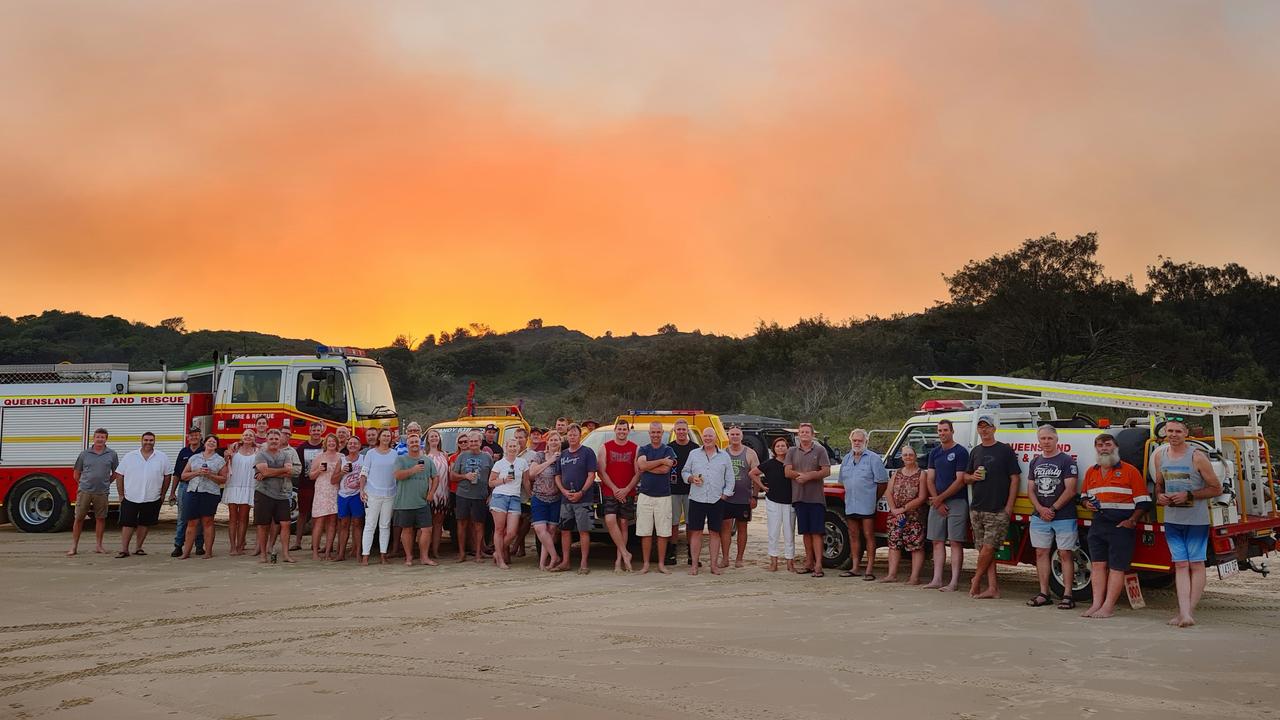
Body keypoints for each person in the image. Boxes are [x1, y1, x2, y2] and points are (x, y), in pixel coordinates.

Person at [1152, 418, 1222, 628]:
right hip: (1172, 520)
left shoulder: (1197, 457)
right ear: (1164, 433)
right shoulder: (1159, 455)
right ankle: (1183, 613)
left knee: (1196, 563)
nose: (1173, 434)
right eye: (1169, 431)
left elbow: (1216, 489)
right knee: (1180, 564)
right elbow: (1159, 484)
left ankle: (1189, 612)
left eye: (1177, 431)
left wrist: (1189, 495)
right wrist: (1160, 496)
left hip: (1196, 521)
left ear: (1186, 433)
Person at [1080, 433, 1152, 619]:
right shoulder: (1091, 472)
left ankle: (1108, 607)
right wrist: (1086, 503)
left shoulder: (1129, 471)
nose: (1104, 448)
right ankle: (1096, 604)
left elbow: (1144, 502)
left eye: (1107, 444)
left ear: (1116, 447)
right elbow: (1083, 497)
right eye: (1100, 445)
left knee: (1116, 568)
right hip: (1098, 525)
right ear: (1095, 448)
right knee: (1097, 566)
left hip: (1121, 527)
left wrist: (1131, 521)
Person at [962, 414, 1020, 599]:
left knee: (988, 548)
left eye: (987, 427)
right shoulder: (976, 451)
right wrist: (973, 478)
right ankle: (993, 588)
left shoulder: (1004, 450)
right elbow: (965, 477)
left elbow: (1015, 478)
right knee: (985, 552)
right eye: (981, 427)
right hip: (977, 507)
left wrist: (1009, 506)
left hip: (997, 509)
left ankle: (976, 580)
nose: (984, 430)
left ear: (994, 429)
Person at [1026, 425, 1080, 609]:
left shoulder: (1067, 461)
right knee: (1041, 553)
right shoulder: (1035, 462)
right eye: (1043, 439)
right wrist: (1041, 509)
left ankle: (1067, 595)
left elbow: (1071, 489)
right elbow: (1030, 489)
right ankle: (1044, 592)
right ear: (1038, 441)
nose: (1046, 442)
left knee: (1065, 553)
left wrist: (1053, 509)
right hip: (1039, 516)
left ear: (1057, 439)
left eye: (1049, 438)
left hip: (1063, 516)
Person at [923, 419, 970, 592]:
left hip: (957, 501)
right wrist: (937, 499)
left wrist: (940, 499)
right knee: (937, 541)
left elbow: (960, 481)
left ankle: (954, 581)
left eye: (945, 430)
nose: (942, 433)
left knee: (956, 542)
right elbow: (930, 478)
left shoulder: (961, 452)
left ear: (952, 431)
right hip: (937, 502)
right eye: (939, 430)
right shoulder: (934, 453)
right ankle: (936, 579)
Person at [837, 429, 888, 580]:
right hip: (851, 503)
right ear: (851, 441)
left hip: (867, 504)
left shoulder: (873, 458)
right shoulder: (846, 459)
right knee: (853, 535)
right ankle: (855, 567)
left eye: (860, 440)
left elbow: (882, 482)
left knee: (869, 536)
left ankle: (869, 569)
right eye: (855, 440)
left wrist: (873, 498)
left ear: (866, 441)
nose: (857, 443)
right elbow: (842, 482)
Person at [682, 426, 734, 576]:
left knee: (714, 533)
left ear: (715, 437)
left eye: (710, 436)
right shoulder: (693, 454)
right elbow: (684, 471)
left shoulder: (724, 456)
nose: (708, 438)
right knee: (696, 532)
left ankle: (713, 565)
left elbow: (730, 478)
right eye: (705, 436)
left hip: (716, 499)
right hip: (697, 498)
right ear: (702, 438)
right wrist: (691, 478)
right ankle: (694, 566)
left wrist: (725, 495)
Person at [113, 432, 172, 558]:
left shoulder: (162, 457)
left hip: (152, 496)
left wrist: (163, 494)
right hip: (131, 496)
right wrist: (121, 494)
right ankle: (124, 549)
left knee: (144, 523)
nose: (148, 442)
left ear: (154, 441)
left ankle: (138, 548)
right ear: (141, 441)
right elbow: (119, 475)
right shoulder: (130, 456)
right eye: (146, 440)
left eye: (151, 440)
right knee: (127, 523)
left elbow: (167, 476)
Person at [785, 423, 832, 577]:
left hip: (816, 498)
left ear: (812, 434)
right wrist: (800, 476)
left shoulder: (820, 450)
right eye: (802, 432)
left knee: (817, 532)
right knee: (805, 532)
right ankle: (809, 562)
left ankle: (819, 564)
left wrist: (809, 476)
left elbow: (826, 470)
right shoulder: (792, 450)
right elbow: (787, 471)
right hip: (799, 497)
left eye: (807, 432)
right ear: (798, 434)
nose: (804, 434)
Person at [878, 444, 927, 584]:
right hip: (896, 515)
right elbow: (888, 491)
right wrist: (894, 509)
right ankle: (891, 574)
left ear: (915, 456)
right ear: (902, 458)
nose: (908, 457)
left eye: (910, 454)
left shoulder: (921, 474)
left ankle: (914, 577)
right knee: (894, 544)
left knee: (916, 545)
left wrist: (903, 509)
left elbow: (922, 497)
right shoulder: (897, 473)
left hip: (914, 515)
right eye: (905, 455)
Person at [67, 428, 118, 556]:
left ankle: (99, 546)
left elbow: (116, 473)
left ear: (106, 439)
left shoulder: (112, 454)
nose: (100, 439)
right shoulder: (84, 454)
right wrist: (84, 484)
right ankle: (74, 547)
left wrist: (106, 483)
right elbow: (76, 473)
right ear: (93, 438)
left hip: (102, 492)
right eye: (98, 437)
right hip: (85, 491)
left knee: (100, 518)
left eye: (103, 437)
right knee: (79, 518)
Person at [555, 424, 598, 574]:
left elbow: (591, 475)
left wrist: (582, 491)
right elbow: (557, 476)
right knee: (565, 531)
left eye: (575, 434)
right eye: (570, 435)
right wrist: (564, 491)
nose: (572, 437)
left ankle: (584, 563)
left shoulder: (587, 452)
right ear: (567, 436)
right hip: (566, 500)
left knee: (583, 531)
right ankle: (565, 561)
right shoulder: (563, 454)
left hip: (583, 499)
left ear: (580, 436)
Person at [635, 422, 676, 574]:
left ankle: (660, 564)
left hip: (663, 496)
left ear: (662, 433)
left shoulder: (668, 449)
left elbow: (666, 469)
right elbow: (642, 466)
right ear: (649, 433)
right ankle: (645, 564)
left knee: (663, 532)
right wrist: (660, 461)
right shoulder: (644, 449)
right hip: (645, 495)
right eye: (653, 432)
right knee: (645, 532)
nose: (656, 435)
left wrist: (650, 466)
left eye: (658, 432)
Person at [598, 419, 638, 573]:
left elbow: (638, 472)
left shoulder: (635, 448)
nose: (622, 432)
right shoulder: (605, 447)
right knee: (610, 520)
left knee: (623, 524)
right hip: (610, 491)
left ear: (628, 431)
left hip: (628, 491)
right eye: (619, 429)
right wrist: (615, 489)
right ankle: (625, 552)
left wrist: (627, 489)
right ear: (615, 430)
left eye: (624, 429)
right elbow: (601, 472)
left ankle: (619, 560)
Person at [393, 433, 438, 567]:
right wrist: (413, 470)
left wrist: (431, 493)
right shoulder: (401, 460)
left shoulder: (428, 460)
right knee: (407, 530)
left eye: (416, 442)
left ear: (420, 444)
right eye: (411, 442)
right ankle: (409, 557)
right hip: (405, 502)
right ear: (407, 445)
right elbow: (397, 476)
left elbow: (436, 477)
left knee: (427, 529)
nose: (414, 444)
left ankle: (424, 557)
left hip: (422, 502)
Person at [179, 435, 226, 559]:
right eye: (209, 441)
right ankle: (186, 552)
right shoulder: (194, 458)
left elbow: (224, 479)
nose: (211, 444)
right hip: (193, 491)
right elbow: (183, 476)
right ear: (204, 443)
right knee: (191, 522)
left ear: (217, 445)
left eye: (214, 442)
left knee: (208, 522)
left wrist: (210, 475)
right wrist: (197, 472)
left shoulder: (220, 460)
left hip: (210, 493)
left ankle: (208, 552)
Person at [452, 430, 495, 563]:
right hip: (463, 494)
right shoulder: (462, 456)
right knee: (462, 523)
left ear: (480, 442)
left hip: (480, 495)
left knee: (479, 525)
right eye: (471, 441)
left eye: (476, 441)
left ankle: (478, 554)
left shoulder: (487, 457)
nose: (473, 443)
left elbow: (493, 477)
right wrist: (465, 476)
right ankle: (462, 553)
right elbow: (452, 476)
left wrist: (491, 494)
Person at [254, 429, 296, 563]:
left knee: (286, 524)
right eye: (271, 438)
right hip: (263, 493)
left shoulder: (286, 455)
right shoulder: (260, 455)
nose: (273, 441)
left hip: (282, 494)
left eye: (276, 439)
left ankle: (286, 554)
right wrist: (281, 470)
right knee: (263, 525)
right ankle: (263, 555)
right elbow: (264, 470)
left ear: (280, 440)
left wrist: (267, 473)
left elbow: (290, 472)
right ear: (267, 439)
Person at [720, 427, 759, 569]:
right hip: (726, 497)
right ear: (728, 436)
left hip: (744, 498)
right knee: (725, 528)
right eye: (732, 434)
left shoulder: (750, 453)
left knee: (742, 528)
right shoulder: (723, 453)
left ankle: (739, 558)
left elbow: (756, 476)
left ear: (742, 436)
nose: (735, 437)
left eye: (737, 434)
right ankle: (725, 558)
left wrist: (754, 496)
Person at [753, 436, 795, 572]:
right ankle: (774, 562)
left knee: (789, 533)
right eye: (778, 446)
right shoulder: (769, 464)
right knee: (773, 532)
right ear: (774, 449)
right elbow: (753, 473)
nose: (781, 448)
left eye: (783, 446)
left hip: (789, 502)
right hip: (773, 501)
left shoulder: (792, 463)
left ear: (787, 448)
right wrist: (762, 487)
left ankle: (790, 562)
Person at [487, 438, 529, 569]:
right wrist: (504, 480)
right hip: (500, 496)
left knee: (512, 532)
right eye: (510, 446)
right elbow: (491, 482)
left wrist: (531, 495)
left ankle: (497, 553)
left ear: (518, 448)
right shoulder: (499, 463)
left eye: (514, 446)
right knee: (499, 530)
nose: (512, 448)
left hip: (515, 498)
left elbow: (526, 482)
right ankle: (500, 559)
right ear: (506, 448)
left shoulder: (523, 462)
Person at [359, 428, 398, 565]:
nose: (386, 438)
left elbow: (397, 474)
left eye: (389, 436)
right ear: (379, 438)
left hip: (390, 494)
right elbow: (364, 473)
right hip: (372, 494)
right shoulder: (370, 453)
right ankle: (365, 555)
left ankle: (383, 554)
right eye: (384, 435)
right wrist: (361, 489)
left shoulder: (395, 454)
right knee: (370, 525)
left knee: (385, 525)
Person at [528, 430, 564, 570]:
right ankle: (555, 556)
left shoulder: (563, 457)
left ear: (560, 442)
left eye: (557, 440)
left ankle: (544, 563)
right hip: (539, 497)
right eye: (551, 439)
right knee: (539, 529)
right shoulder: (540, 456)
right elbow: (532, 473)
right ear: (547, 441)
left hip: (556, 498)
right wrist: (550, 461)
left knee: (550, 531)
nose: (554, 442)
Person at [169, 428, 206, 558]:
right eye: (191, 435)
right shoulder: (183, 452)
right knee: (182, 518)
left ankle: (199, 546)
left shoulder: (205, 451)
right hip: (184, 487)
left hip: (201, 487)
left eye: (196, 435)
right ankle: (178, 546)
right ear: (187, 437)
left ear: (200, 436)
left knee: (200, 518)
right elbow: (177, 473)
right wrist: (172, 491)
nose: (194, 437)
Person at [667, 419, 699, 565]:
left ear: (687, 431)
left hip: (691, 491)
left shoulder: (695, 448)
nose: (681, 432)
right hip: (672, 491)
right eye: (678, 429)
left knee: (690, 523)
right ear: (674, 431)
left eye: (683, 429)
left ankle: (691, 555)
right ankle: (672, 553)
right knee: (673, 523)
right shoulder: (668, 448)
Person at [293, 421, 326, 552]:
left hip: (321, 485)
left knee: (317, 516)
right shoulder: (301, 448)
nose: (316, 433)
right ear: (309, 431)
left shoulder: (325, 446)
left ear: (321, 431)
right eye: (314, 430)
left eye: (318, 430)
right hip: (305, 485)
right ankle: (297, 542)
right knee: (302, 514)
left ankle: (315, 543)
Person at [223, 430, 258, 555]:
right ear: (241, 437)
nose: (248, 437)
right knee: (233, 518)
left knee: (244, 518)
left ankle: (240, 545)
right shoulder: (234, 449)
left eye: (251, 435)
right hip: (233, 485)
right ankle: (232, 546)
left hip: (248, 486)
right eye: (245, 435)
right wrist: (227, 455)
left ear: (254, 438)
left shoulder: (257, 451)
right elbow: (226, 462)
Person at [309, 434, 342, 560]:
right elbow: (311, 476)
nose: (332, 443)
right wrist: (319, 471)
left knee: (332, 522)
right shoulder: (319, 457)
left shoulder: (341, 457)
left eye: (334, 441)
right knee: (319, 521)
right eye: (329, 441)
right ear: (325, 443)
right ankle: (315, 552)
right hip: (322, 490)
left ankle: (328, 551)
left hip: (335, 490)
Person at [334, 435, 365, 561]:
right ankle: (341, 553)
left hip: (357, 494)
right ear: (347, 446)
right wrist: (342, 472)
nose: (352, 445)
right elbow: (333, 480)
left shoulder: (364, 459)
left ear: (359, 446)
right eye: (350, 443)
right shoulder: (342, 460)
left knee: (357, 523)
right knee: (344, 524)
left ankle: (358, 552)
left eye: (355, 443)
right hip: (343, 495)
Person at [425, 429, 451, 561]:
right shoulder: (424, 455)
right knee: (426, 524)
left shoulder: (444, 455)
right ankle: (425, 550)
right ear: (428, 439)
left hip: (443, 494)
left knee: (438, 523)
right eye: (431, 436)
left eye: (436, 436)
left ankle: (435, 550)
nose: (434, 438)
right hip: (429, 493)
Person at [510, 427, 536, 559]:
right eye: (516, 437)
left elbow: (532, 474)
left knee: (526, 519)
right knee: (517, 521)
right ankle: (521, 548)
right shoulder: (510, 453)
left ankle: (516, 544)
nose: (519, 440)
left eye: (521, 437)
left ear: (527, 439)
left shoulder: (533, 455)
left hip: (527, 492)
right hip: (513, 492)